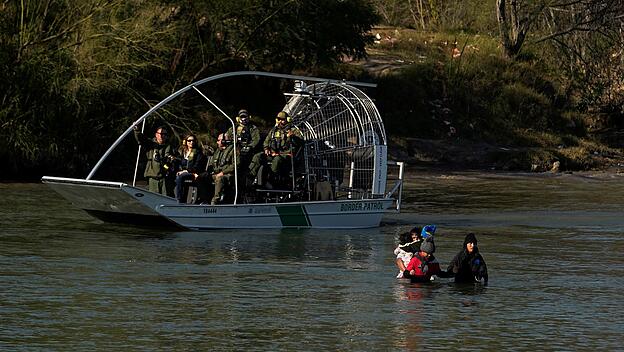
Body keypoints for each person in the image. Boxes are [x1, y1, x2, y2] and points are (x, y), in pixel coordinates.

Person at [248, 111, 303, 186]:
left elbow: (300, 143)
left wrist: (292, 137)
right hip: (273, 154)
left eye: (282, 119)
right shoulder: (274, 131)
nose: (280, 121)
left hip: (286, 155)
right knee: (258, 156)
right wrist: (266, 148)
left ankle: (271, 179)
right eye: (279, 119)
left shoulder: (293, 130)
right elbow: (266, 141)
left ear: (287, 119)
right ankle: (250, 177)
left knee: (277, 160)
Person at [133, 125, 177, 196]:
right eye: (160, 134)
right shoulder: (150, 144)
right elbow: (141, 139)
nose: (162, 136)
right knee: (153, 197)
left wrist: (172, 159)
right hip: (153, 177)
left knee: (166, 197)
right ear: (156, 134)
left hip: (165, 177)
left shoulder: (170, 146)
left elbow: (176, 159)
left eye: (164, 134)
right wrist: (136, 131)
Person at [199, 133, 239, 205]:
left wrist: (223, 172)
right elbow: (212, 163)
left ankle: (215, 201)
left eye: (219, 140)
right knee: (202, 177)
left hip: (228, 174)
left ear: (224, 141)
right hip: (216, 173)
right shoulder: (218, 151)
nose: (217, 142)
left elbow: (235, 165)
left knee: (219, 178)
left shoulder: (234, 150)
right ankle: (204, 199)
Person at [174, 133, 206, 203]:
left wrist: (186, 171)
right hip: (184, 172)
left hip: (194, 173)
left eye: (193, 141)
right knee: (173, 174)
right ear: (186, 142)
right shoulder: (183, 152)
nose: (191, 142)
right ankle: (171, 197)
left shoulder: (198, 153)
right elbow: (180, 163)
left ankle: (179, 200)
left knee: (180, 177)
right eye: (189, 141)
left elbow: (197, 167)